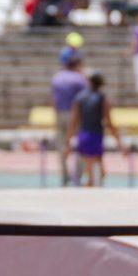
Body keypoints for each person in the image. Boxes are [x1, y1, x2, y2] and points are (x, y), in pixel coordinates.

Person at [67, 73, 125, 188]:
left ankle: (89, 191)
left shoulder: (80, 98)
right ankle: (88, 197)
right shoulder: (102, 98)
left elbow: (74, 122)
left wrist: (68, 141)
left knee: (96, 173)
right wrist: (120, 143)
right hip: (95, 136)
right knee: (95, 175)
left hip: (83, 135)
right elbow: (109, 122)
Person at [50, 53, 87, 186]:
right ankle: (77, 175)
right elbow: (84, 98)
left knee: (61, 145)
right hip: (75, 115)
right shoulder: (79, 79)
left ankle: (65, 175)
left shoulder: (57, 78)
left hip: (60, 114)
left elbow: (54, 100)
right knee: (80, 145)